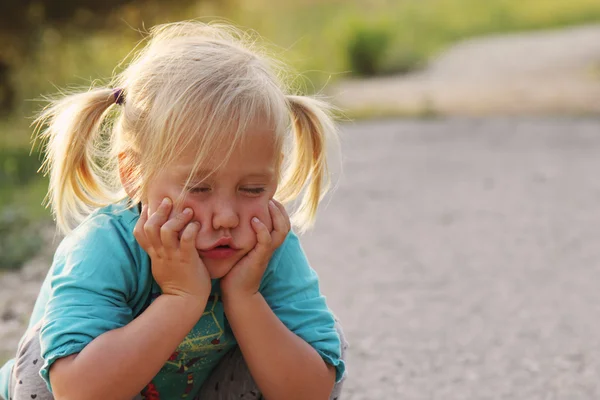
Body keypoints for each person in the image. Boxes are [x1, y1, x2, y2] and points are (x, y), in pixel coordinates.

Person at [0, 21, 347, 400]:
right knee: (47, 356)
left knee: (316, 349)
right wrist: (181, 298)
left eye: (252, 189)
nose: (227, 217)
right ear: (134, 175)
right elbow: (77, 391)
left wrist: (246, 299)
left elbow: (312, 390)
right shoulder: (104, 247)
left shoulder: (267, 248)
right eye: (198, 187)